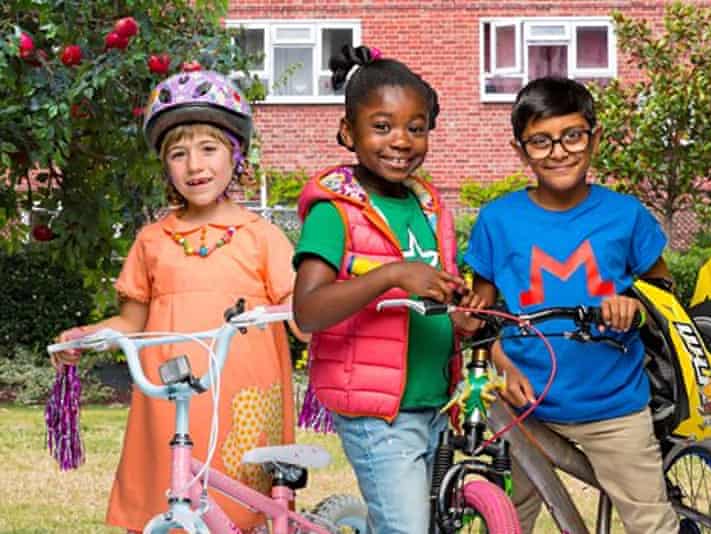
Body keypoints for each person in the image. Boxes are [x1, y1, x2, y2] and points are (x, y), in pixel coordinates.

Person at [53, 70, 296, 533]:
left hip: (240, 393)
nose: (194, 165)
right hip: (170, 394)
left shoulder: (262, 236)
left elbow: (299, 312)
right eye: (178, 154)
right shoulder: (153, 240)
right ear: (166, 167)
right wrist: (87, 337)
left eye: (209, 149)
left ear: (235, 155)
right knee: (169, 491)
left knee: (241, 503)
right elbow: (131, 322)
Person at [464, 76, 680, 533]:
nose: (558, 152)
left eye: (572, 136)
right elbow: (484, 312)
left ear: (594, 137)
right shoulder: (497, 220)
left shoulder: (625, 215)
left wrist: (632, 304)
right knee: (507, 520)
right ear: (520, 149)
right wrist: (484, 340)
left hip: (614, 406)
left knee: (650, 522)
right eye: (540, 142)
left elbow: (664, 293)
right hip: (527, 406)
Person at [292, 45, 482, 534]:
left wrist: (457, 315)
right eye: (382, 126)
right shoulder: (334, 213)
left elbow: (426, 299)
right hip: (379, 414)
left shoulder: (430, 209)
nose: (401, 141)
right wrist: (391, 274)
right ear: (347, 132)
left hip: (437, 402)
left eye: (415, 128)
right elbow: (308, 311)